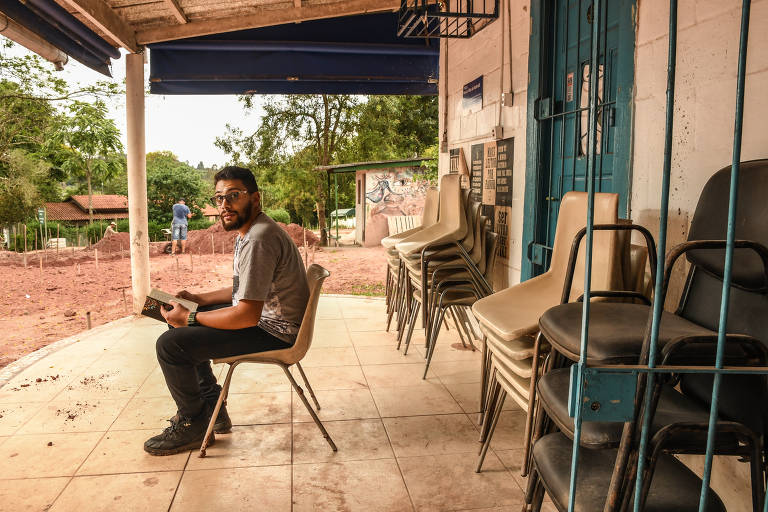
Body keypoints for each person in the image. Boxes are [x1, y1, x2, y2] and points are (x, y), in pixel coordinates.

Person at [144, 166, 310, 456]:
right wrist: (198, 299)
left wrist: (191, 317)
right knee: (176, 316)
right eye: (219, 198)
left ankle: (194, 422)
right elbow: (242, 290)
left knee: (170, 345)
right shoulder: (251, 232)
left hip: (275, 331)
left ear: (255, 198)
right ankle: (213, 409)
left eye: (233, 195)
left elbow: (246, 315)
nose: (224, 205)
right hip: (269, 321)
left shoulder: (258, 239)